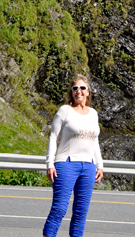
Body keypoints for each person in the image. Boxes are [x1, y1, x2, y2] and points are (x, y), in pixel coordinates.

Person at [43, 74, 103, 237]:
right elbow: (53, 137)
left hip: (89, 167)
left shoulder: (93, 114)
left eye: (82, 88)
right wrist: (50, 164)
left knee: (81, 213)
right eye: (75, 88)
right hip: (66, 164)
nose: (79, 91)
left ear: (88, 91)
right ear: (71, 92)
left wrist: (100, 165)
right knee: (59, 210)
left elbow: (95, 141)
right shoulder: (65, 111)